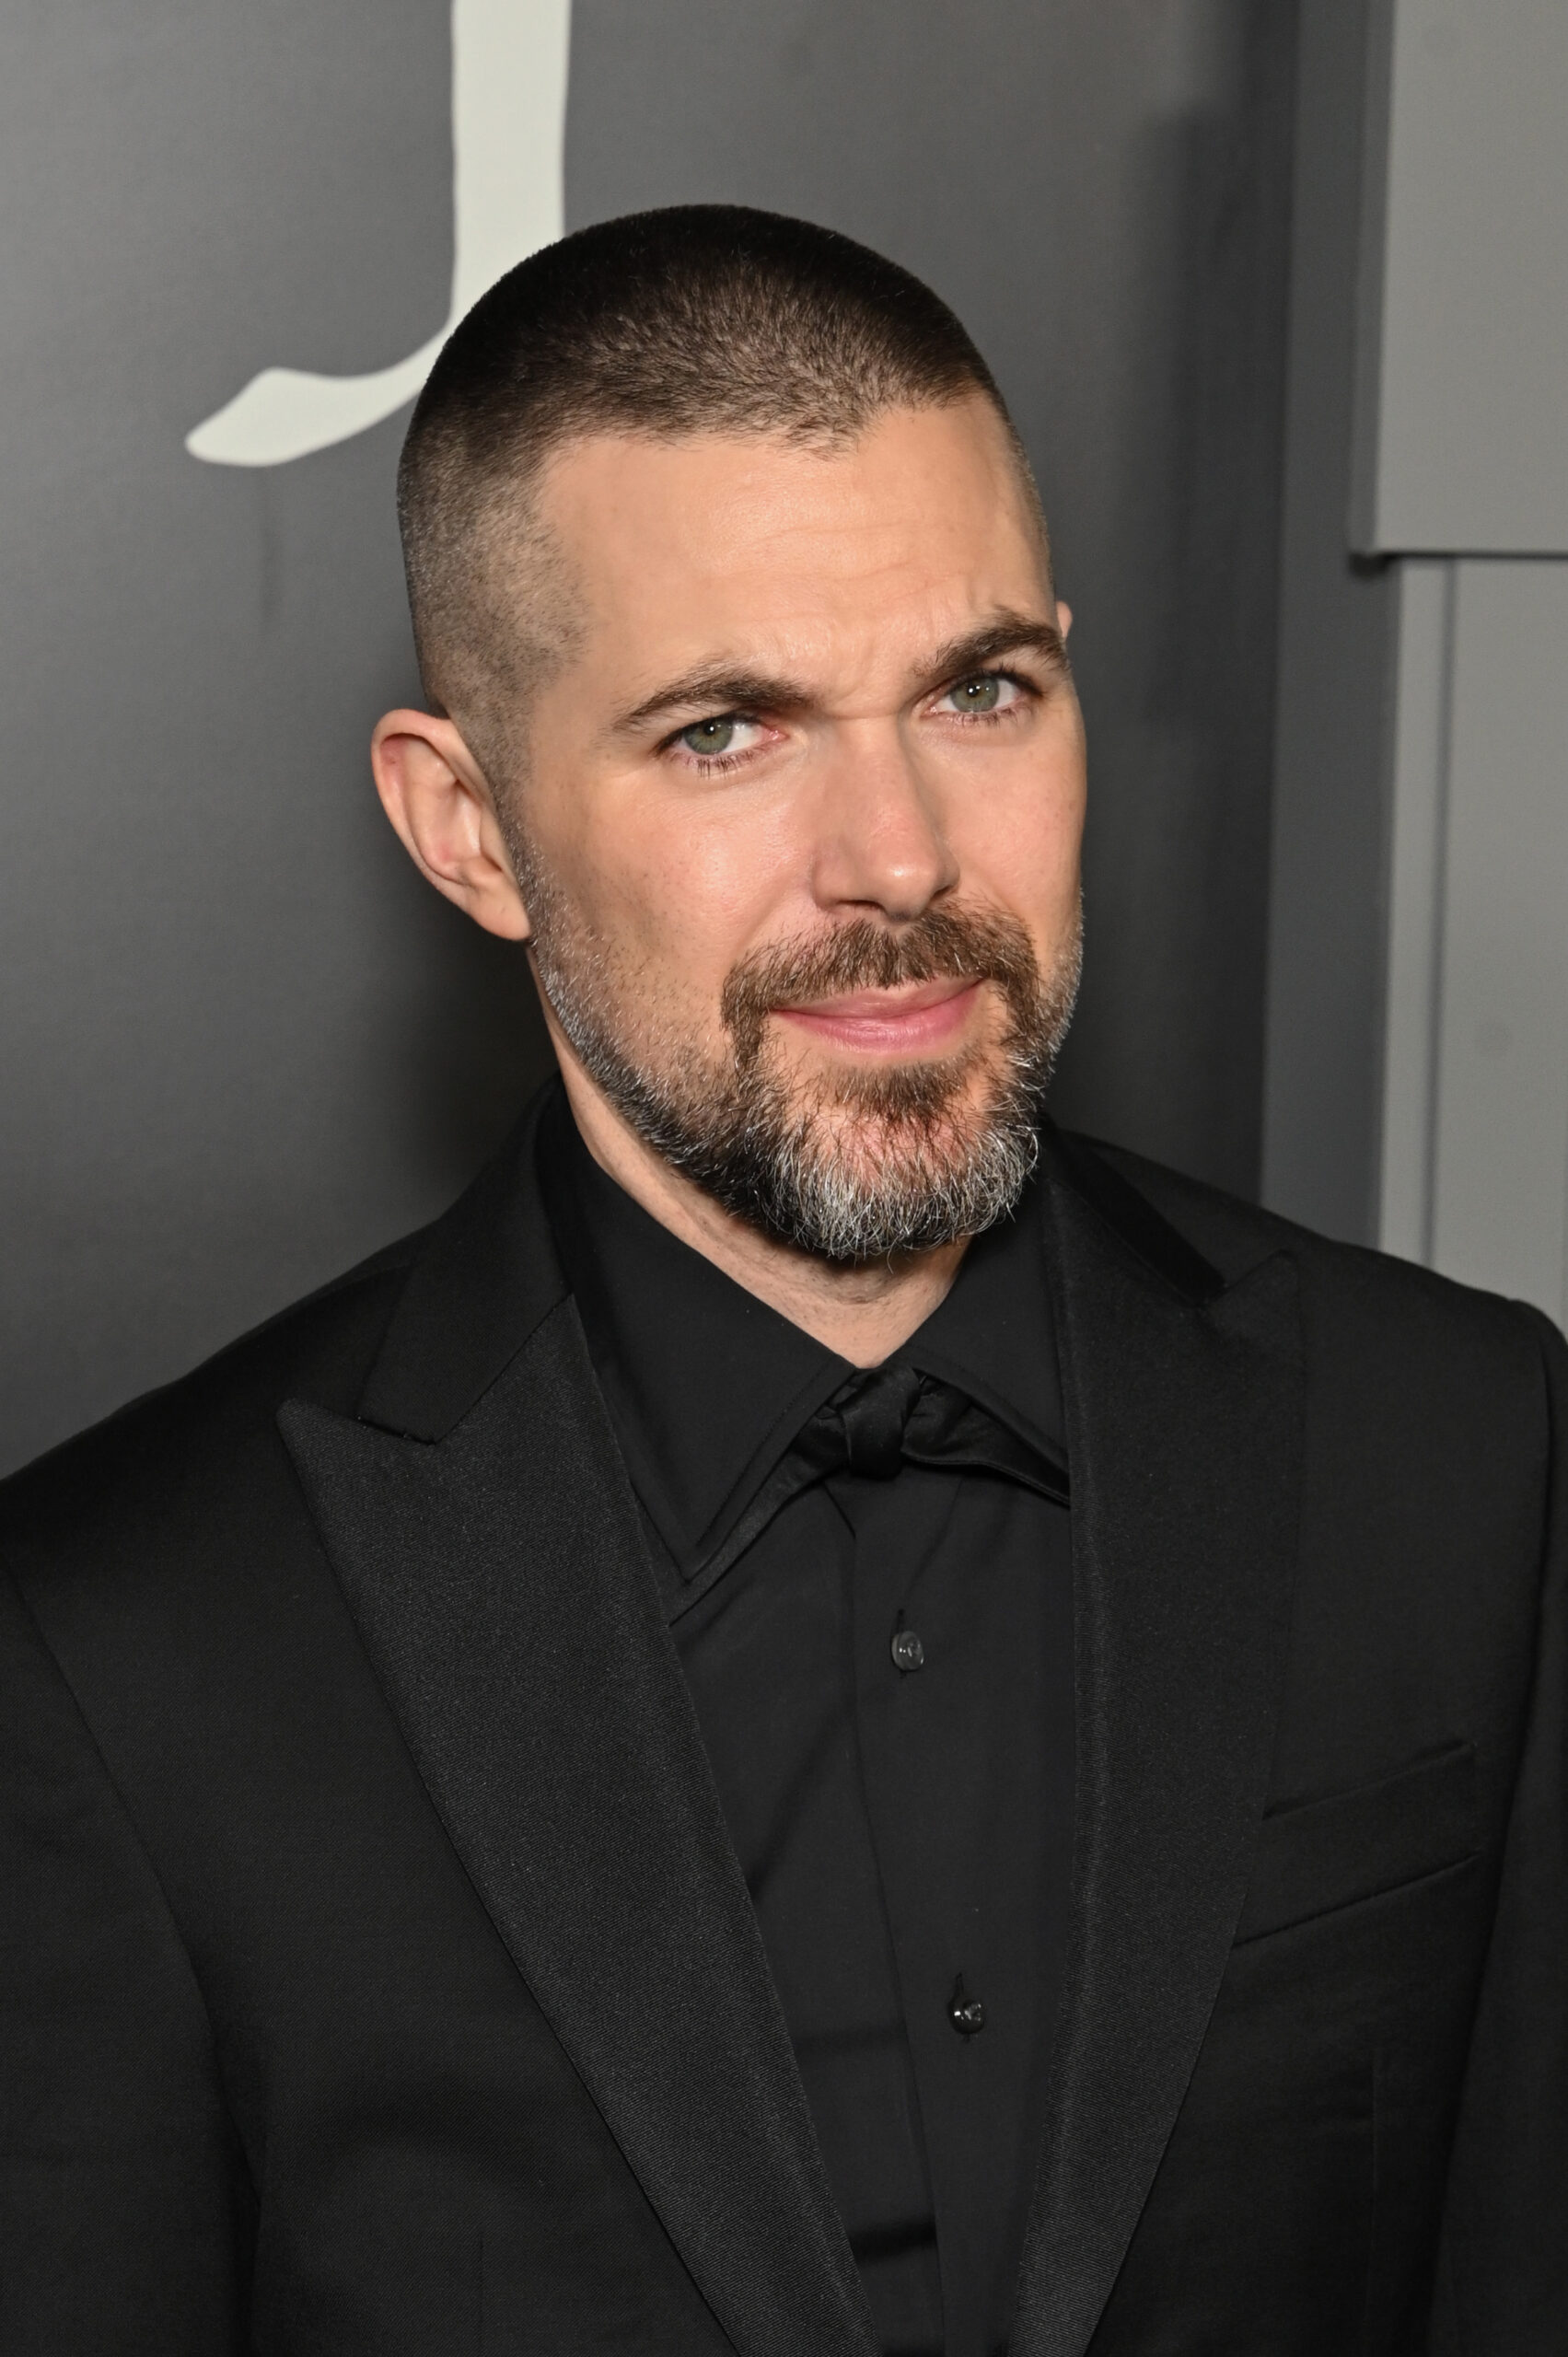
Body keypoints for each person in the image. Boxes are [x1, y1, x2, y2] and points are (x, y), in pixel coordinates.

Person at [1, 205, 1562, 2357]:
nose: (904, 853)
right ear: (466, 826)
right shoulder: (123, 1650)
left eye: (981, 687)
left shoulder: (1459, 1452)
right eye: (728, 729)